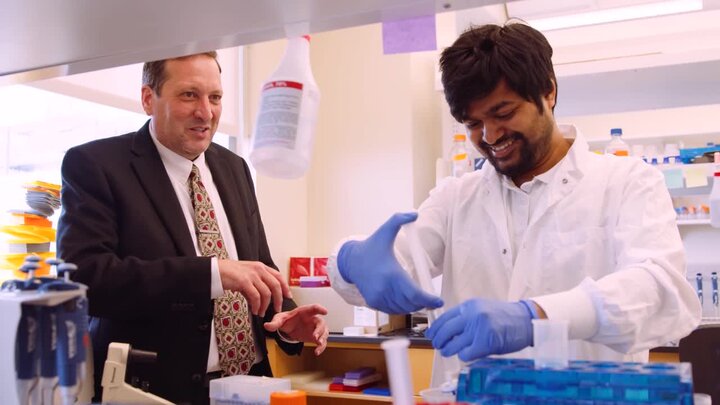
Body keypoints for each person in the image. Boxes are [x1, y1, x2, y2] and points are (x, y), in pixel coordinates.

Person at [327, 21, 701, 387]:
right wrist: (351, 259)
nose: (490, 136)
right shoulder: (456, 197)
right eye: (473, 123)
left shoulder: (627, 181)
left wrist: (535, 315)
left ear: (548, 92)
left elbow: (661, 292)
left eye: (503, 114)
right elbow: (393, 262)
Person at [57, 51, 329, 405]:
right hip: (154, 391)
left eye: (215, 97)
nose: (206, 112)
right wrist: (212, 274)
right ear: (147, 99)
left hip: (249, 384)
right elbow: (85, 280)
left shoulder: (235, 167)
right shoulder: (96, 165)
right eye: (189, 95)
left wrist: (286, 321)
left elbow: (258, 265)